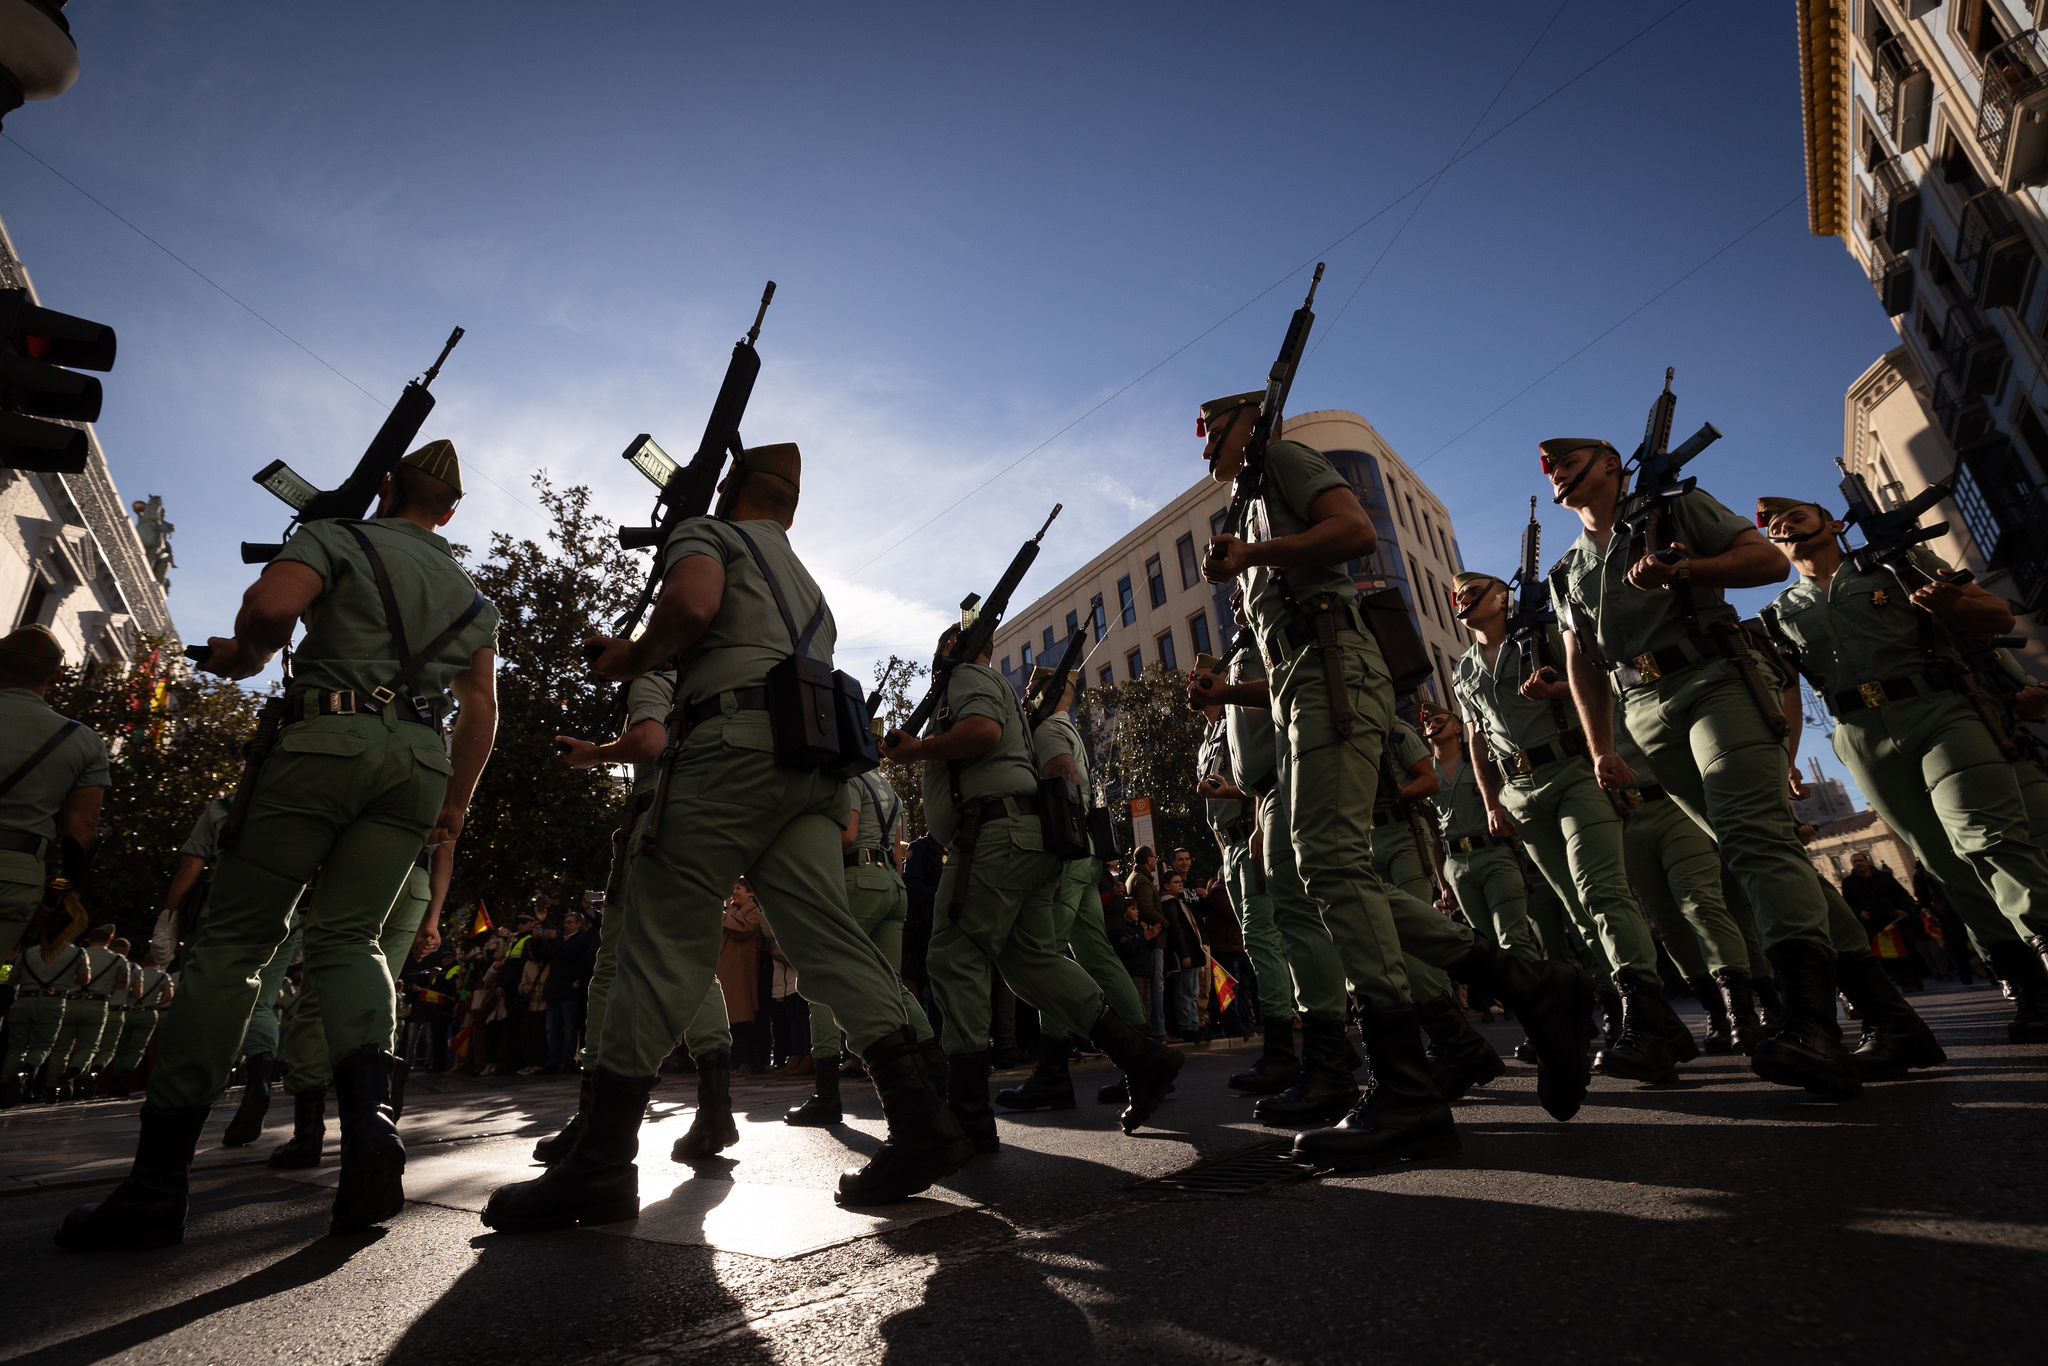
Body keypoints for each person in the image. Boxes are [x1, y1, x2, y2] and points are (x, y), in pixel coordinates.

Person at [484, 442, 968, 1231]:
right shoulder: (811, 589)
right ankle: (922, 1121)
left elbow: (693, 609)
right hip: (809, 770)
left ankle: (600, 1164)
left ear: (731, 491)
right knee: (828, 942)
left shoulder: (706, 533)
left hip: (726, 755)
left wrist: (631, 658)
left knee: (658, 943)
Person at [60, 439, 502, 1252]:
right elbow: (482, 707)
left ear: (386, 487)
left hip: (321, 745)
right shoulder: (473, 599)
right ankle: (371, 1134)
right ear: (450, 512)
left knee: (234, 946)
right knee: (352, 940)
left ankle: (158, 1185)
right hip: (415, 763)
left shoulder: (336, 537)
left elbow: (269, 613)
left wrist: (248, 654)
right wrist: (456, 805)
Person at [1197, 389, 1589, 1169]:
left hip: (1334, 670)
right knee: (1323, 870)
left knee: (1328, 863)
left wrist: (1253, 556)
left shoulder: (1281, 459)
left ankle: (1412, 1084)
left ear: (1253, 424)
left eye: (1216, 431)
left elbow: (1354, 531)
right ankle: (1525, 985)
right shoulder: (1248, 505)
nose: (1205, 447)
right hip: (1300, 682)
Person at [1543, 436, 1898, 1100]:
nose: (1557, 475)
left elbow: (1765, 562)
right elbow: (1581, 664)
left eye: (1568, 463)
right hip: (1643, 710)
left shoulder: (1676, 510)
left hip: (1712, 678)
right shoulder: (1565, 571)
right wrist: (1600, 748)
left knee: (1754, 838)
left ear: (1610, 465)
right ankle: (1888, 1014)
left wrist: (1682, 571)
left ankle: (1813, 1026)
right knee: (1753, 853)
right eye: (1551, 469)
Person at [1758, 494, 2048, 1044]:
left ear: (1833, 523)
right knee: (1944, 863)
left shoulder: (1898, 564)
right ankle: (2024, 979)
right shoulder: (1781, 613)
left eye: (1796, 515)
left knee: (1983, 834)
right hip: (1858, 735)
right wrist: (1788, 759)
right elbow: (1790, 695)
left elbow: (1997, 615)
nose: (1784, 525)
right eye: (1775, 526)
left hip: (1939, 710)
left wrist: (1950, 606)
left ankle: (2043, 938)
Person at [883, 622, 1182, 1149]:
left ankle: (970, 1114)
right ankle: (1143, 1057)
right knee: (1031, 963)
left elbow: (982, 733)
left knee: (954, 958)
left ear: (951, 649)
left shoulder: (965, 676)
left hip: (991, 838)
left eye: (938, 651)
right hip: (1021, 839)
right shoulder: (991, 686)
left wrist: (917, 750)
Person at [1448, 568, 1691, 1083]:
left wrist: (1560, 697)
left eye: (1473, 592)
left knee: (1601, 890)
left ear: (1502, 596)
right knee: (1576, 910)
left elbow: (1595, 684)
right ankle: (1634, 1017)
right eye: (1456, 596)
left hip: (1573, 772)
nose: (1462, 600)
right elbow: (1476, 739)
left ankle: (1645, 1018)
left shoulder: (1540, 637)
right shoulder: (1464, 669)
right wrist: (1493, 802)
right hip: (1520, 791)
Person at [534, 668, 740, 1168]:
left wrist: (597, 754)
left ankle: (595, 1117)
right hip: (709, 826)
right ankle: (716, 1106)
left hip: (656, 823)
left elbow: (647, 741)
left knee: (611, 967)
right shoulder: (716, 685)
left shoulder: (654, 677)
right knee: (691, 964)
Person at [996, 666, 1150, 1113]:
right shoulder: (1068, 729)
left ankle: (1053, 1072)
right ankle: (1142, 1049)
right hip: (1085, 858)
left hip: (1066, 859)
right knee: (1095, 954)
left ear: (1049, 693)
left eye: (1032, 691)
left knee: (1046, 956)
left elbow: (1066, 779)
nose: (1027, 697)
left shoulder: (1047, 731)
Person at [267, 844, 449, 1170]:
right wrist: (433, 919)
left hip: (361, 866)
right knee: (377, 994)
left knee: (319, 999)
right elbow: (445, 849)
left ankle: (308, 1133)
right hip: (415, 885)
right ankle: (375, 1129)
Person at [0, 626, 108, 966]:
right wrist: (67, 891)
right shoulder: (83, 741)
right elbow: (83, 826)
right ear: (57, 676)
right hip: (14, 874)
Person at [3, 906, 89, 1105]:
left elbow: (12, 979)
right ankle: (25, 1072)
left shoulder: (28, 953)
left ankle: (4, 1085)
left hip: (23, 1000)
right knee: (42, 1046)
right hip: (53, 1002)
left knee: (15, 1048)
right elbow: (84, 980)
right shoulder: (77, 953)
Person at [40, 923, 126, 1101]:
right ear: (109, 940)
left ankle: (52, 1088)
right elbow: (122, 985)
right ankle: (74, 1071)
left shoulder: (75, 954)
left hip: (70, 1002)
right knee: (89, 1046)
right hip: (97, 1004)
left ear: (89, 939)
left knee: (61, 1049)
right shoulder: (118, 960)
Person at [1123, 847, 1168, 1038]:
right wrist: (1166, 923)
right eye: (1154, 858)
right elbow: (1146, 909)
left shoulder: (1136, 878)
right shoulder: (1142, 881)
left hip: (1146, 939)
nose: (1156, 861)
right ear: (1149, 860)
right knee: (1156, 986)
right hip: (1152, 938)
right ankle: (1158, 1029)